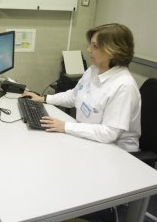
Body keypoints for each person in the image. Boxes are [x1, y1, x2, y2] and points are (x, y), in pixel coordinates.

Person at [23, 23, 141, 152]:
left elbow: (108, 133)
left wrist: (65, 126)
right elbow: (74, 96)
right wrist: (44, 98)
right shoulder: (94, 69)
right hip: (89, 139)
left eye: (95, 46)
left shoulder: (124, 86)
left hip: (116, 152)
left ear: (113, 51)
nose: (89, 49)